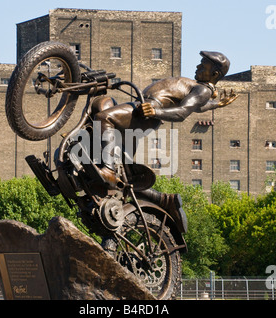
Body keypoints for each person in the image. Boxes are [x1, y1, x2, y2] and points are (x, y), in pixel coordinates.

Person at [92, 51, 239, 233]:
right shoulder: (199, 89)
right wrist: (217, 104)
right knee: (125, 173)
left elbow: (183, 112)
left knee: (103, 118)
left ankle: (106, 170)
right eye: (200, 63)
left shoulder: (203, 90)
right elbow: (195, 106)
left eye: (203, 65)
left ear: (215, 74)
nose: (197, 67)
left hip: (146, 112)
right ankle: (165, 200)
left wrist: (155, 113)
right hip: (143, 108)